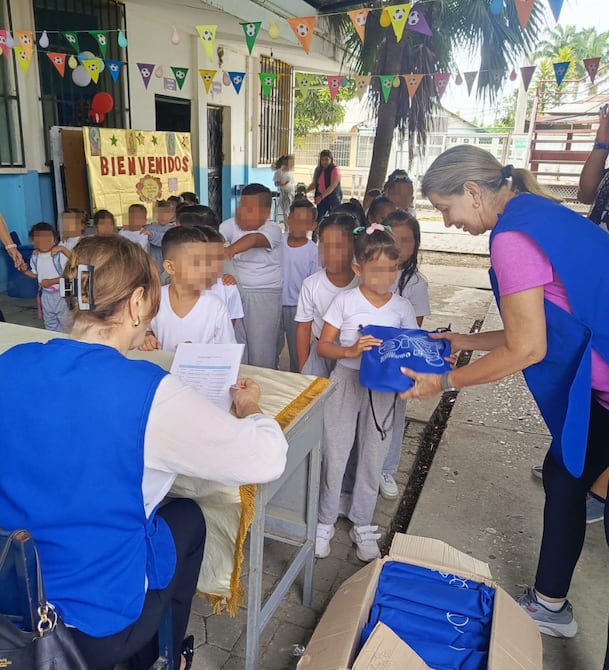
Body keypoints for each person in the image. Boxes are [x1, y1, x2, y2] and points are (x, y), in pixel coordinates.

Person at [0, 235, 288, 670]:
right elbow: (266, 457)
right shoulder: (149, 394)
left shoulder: (11, 362)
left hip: (10, 600)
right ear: (137, 303)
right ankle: (160, 659)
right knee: (188, 517)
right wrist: (250, 408)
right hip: (88, 624)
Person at [400, 145, 609, 655]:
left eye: (446, 209)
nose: (449, 223)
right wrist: (465, 343)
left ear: (472, 192)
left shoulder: (511, 238)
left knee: (571, 476)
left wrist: (442, 384)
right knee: (565, 474)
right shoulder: (538, 214)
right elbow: (545, 325)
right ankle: (551, 603)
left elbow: (528, 348)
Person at [315, 224, 417, 562]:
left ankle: (362, 521)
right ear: (359, 268)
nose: (385, 276)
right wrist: (352, 350)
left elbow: (411, 349)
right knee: (336, 451)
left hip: (383, 390)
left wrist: (417, 366)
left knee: (373, 456)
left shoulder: (401, 307)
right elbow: (325, 346)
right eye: (376, 270)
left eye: (392, 269)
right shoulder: (345, 301)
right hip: (345, 382)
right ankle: (325, 519)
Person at [380, 209, 430, 499]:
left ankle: (387, 468)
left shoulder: (415, 284)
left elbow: (416, 330)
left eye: (406, 240)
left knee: (395, 414)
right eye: (393, 239)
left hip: (398, 362)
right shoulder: (368, 270)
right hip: (369, 357)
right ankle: (364, 465)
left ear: (416, 245)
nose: (399, 247)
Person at [141, 226, 235, 353]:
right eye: (196, 263)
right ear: (170, 267)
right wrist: (146, 338)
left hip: (203, 372)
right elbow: (142, 330)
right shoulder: (154, 299)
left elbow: (228, 351)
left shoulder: (215, 306)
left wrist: (198, 353)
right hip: (162, 371)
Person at [220, 183, 282, 369]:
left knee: (261, 348)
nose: (243, 212)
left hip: (264, 293)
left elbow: (254, 239)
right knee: (237, 343)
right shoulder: (229, 225)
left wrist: (230, 249)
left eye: (250, 208)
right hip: (234, 290)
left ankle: (264, 389)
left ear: (265, 211)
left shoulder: (273, 229)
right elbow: (214, 241)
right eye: (242, 206)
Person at [295, 213, 358, 376]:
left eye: (338, 246)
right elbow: (303, 328)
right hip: (320, 355)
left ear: (355, 247)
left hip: (355, 355)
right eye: (324, 246)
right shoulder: (311, 284)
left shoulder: (363, 283)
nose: (330, 253)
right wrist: (304, 368)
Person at [277, 199, 319, 372]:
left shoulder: (313, 252)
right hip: (274, 304)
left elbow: (314, 283)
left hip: (298, 309)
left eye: (304, 221)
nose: (298, 225)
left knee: (298, 353)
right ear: (288, 219)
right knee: (271, 348)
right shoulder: (277, 242)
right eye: (295, 219)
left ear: (313, 225)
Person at [21, 222, 70, 332]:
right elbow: (37, 275)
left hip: (61, 295)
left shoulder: (58, 256)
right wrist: (24, 271)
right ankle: (53, 343)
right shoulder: (35, 257)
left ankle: (68, 343)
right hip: (45, 296)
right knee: (50, 323)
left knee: (66, 323)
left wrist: (51, 281)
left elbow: (69, 275)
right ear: (33, 242)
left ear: (54, 240)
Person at [307, 150, 342, 221]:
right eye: (322, 160)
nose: (324, 162)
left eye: (326, 159)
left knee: (333, 220)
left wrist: (321, 197)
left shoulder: (334, 170)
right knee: (318, 219)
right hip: (321, 198)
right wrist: (305, 191)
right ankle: (317, 232)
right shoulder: (318, 170)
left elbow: (332, 186)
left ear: (331, 160)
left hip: (332, 198)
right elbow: (314, 183)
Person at [146, 200, 177, 273]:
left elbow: (164, 240)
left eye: (166, 213)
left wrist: (151, 235)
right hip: (152, 266)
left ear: (172, 215)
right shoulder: (147, 228)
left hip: (169, 267)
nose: (163, 216)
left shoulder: (173, 229)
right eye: (159, 213)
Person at [273, 154, 295, 224]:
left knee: (289, 210)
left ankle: (289, 225)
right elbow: (276, 183)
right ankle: (287, 226)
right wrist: (284, 184)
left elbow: (292, 182)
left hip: (291, 192)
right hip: (284, 193)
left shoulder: (290, 172)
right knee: (286, 211)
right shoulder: (279, 172)